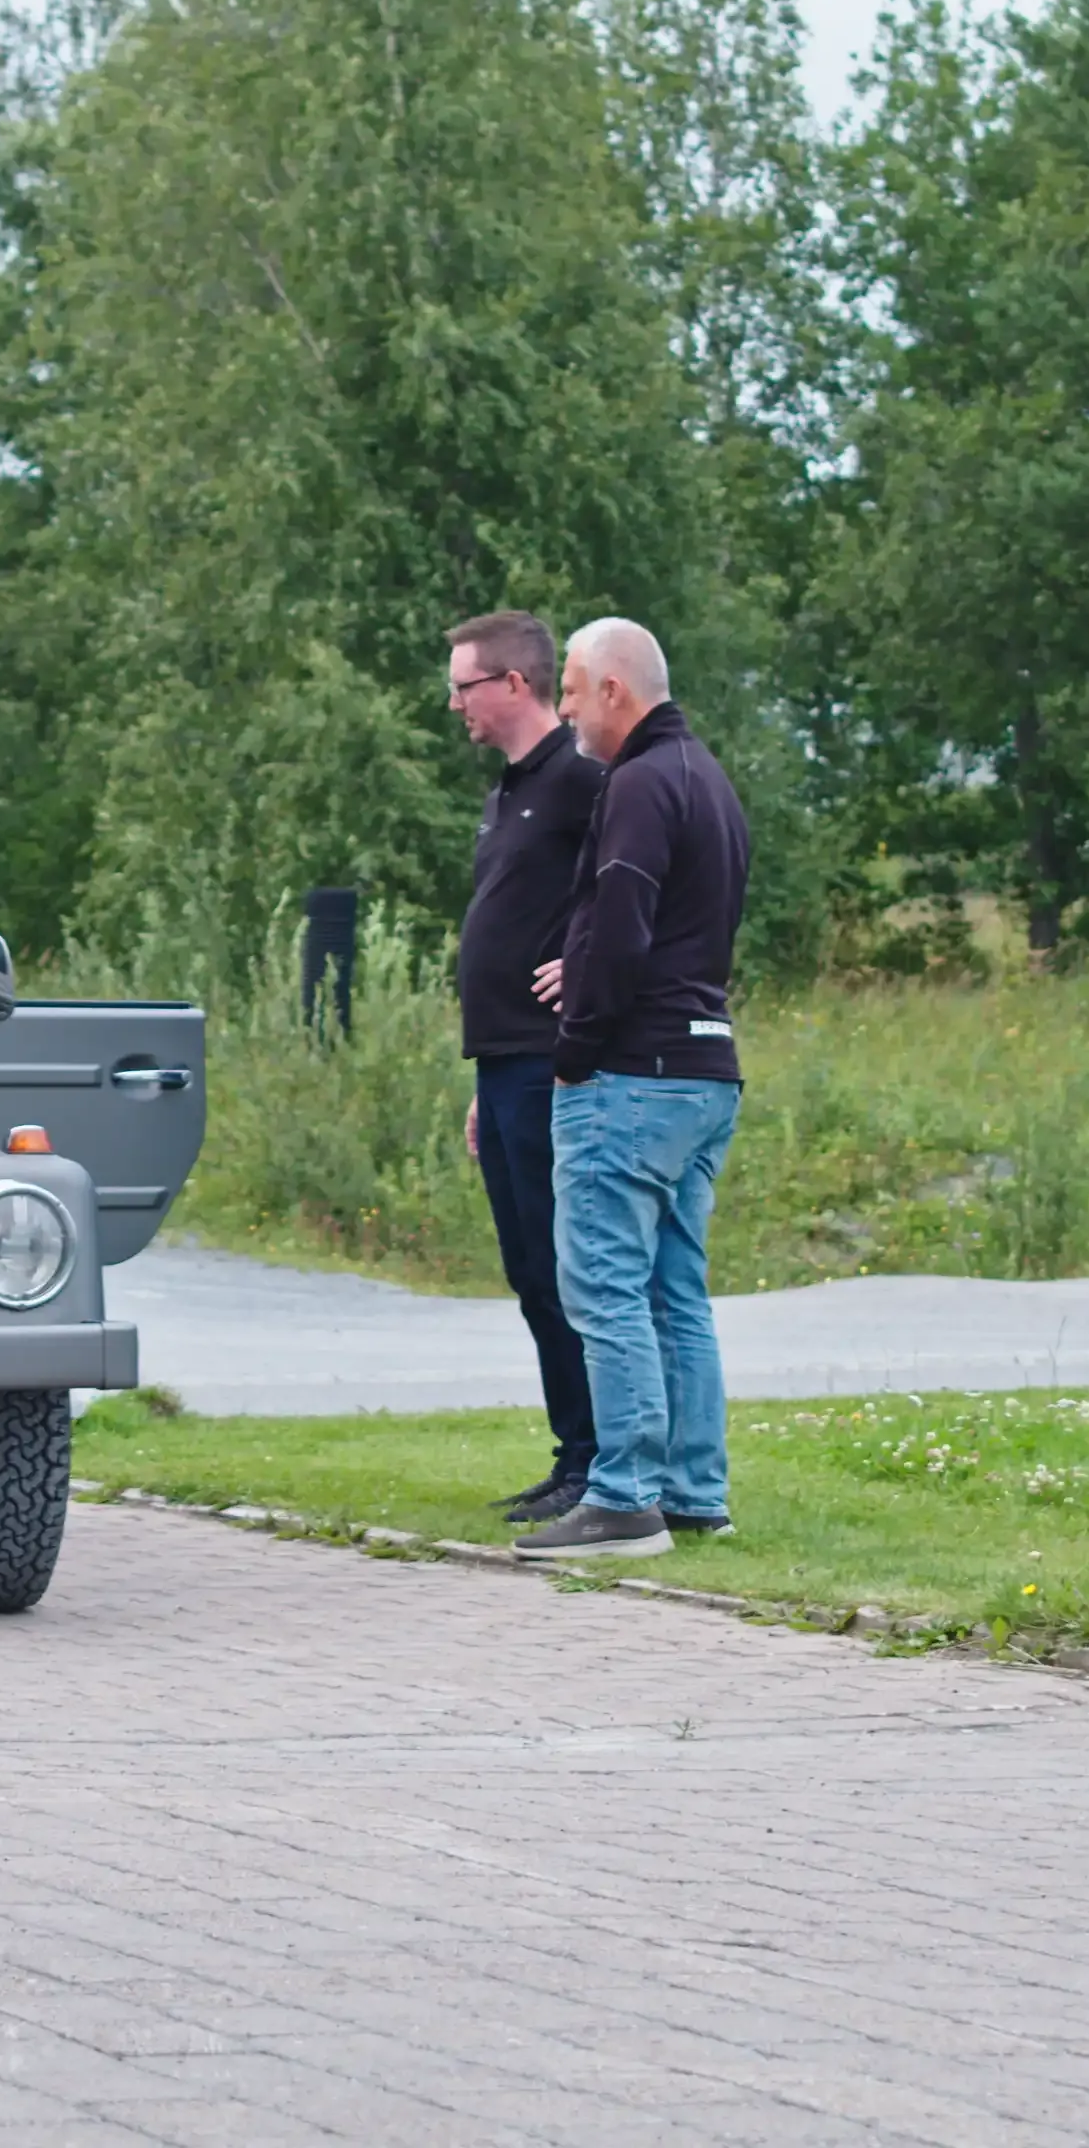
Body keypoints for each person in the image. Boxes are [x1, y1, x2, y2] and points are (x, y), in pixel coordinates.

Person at [510, 618, 752, 1562]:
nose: (563, 707)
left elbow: (619, 928)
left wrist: (574, 1052)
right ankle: (696, 1492)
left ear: (613, 688)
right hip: (704, 1068)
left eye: (569, 688)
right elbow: (676, 932)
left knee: (605, 1287)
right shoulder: (709, 780)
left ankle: (622, 1500)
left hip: (634, 1075)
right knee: (673, 1290)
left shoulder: (640, 784)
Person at [444, 611, 605, 1524]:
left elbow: (627, 885)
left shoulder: (584, 781)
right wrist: (479, 1083)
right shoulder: (510, 792)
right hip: (501, 1063)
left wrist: (585, 962)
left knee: (564, 1265)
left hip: (553, 1061)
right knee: (526, 1269)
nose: (455, 705)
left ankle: (600, 1458)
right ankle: (568, 1451)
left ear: (512, 684)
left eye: (464, 686)